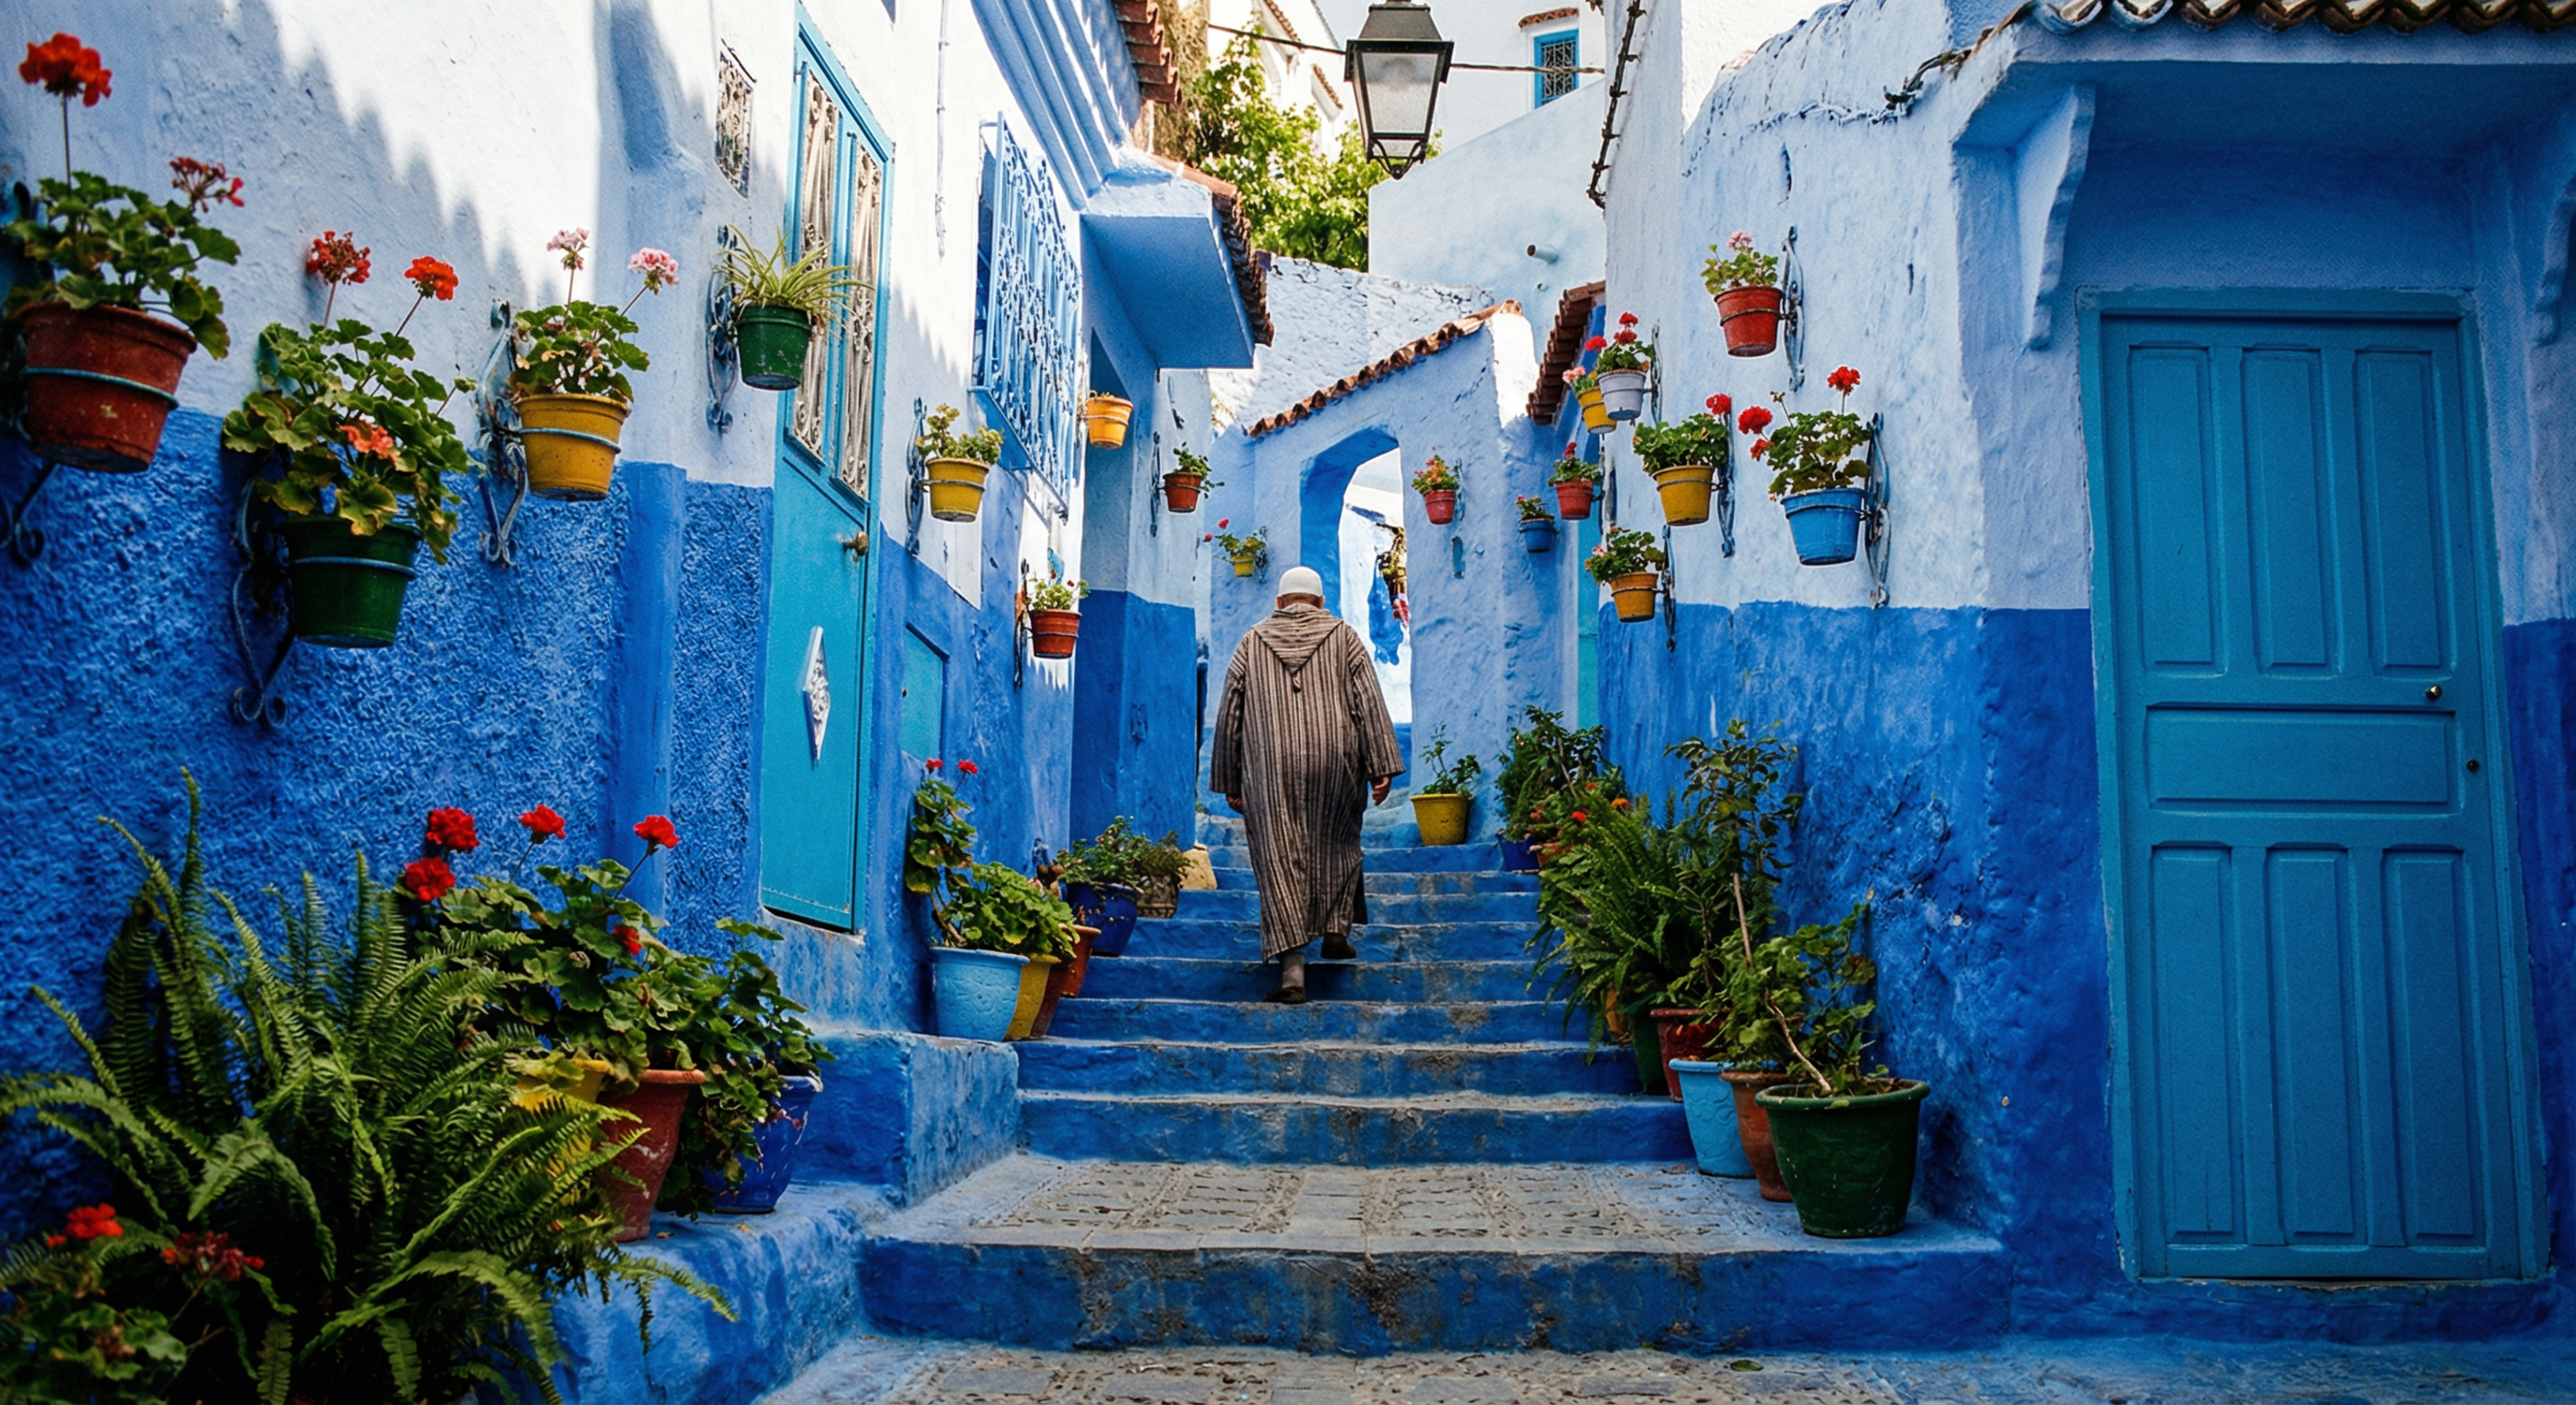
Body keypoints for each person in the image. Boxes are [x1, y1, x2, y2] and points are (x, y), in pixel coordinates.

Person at [1208, 565, 1405, 1004]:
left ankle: (1293, 973)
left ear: (1279, 603)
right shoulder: (1345, 636)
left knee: (1279, 857)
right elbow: (1368, 701)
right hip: (1335, 761)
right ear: (1320, 603)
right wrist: (1380, 765)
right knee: (1336, 843)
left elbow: (1231, 712)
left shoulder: (1251, 641)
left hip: (1269, 768)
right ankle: (1336, 932)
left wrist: (1228, 779)